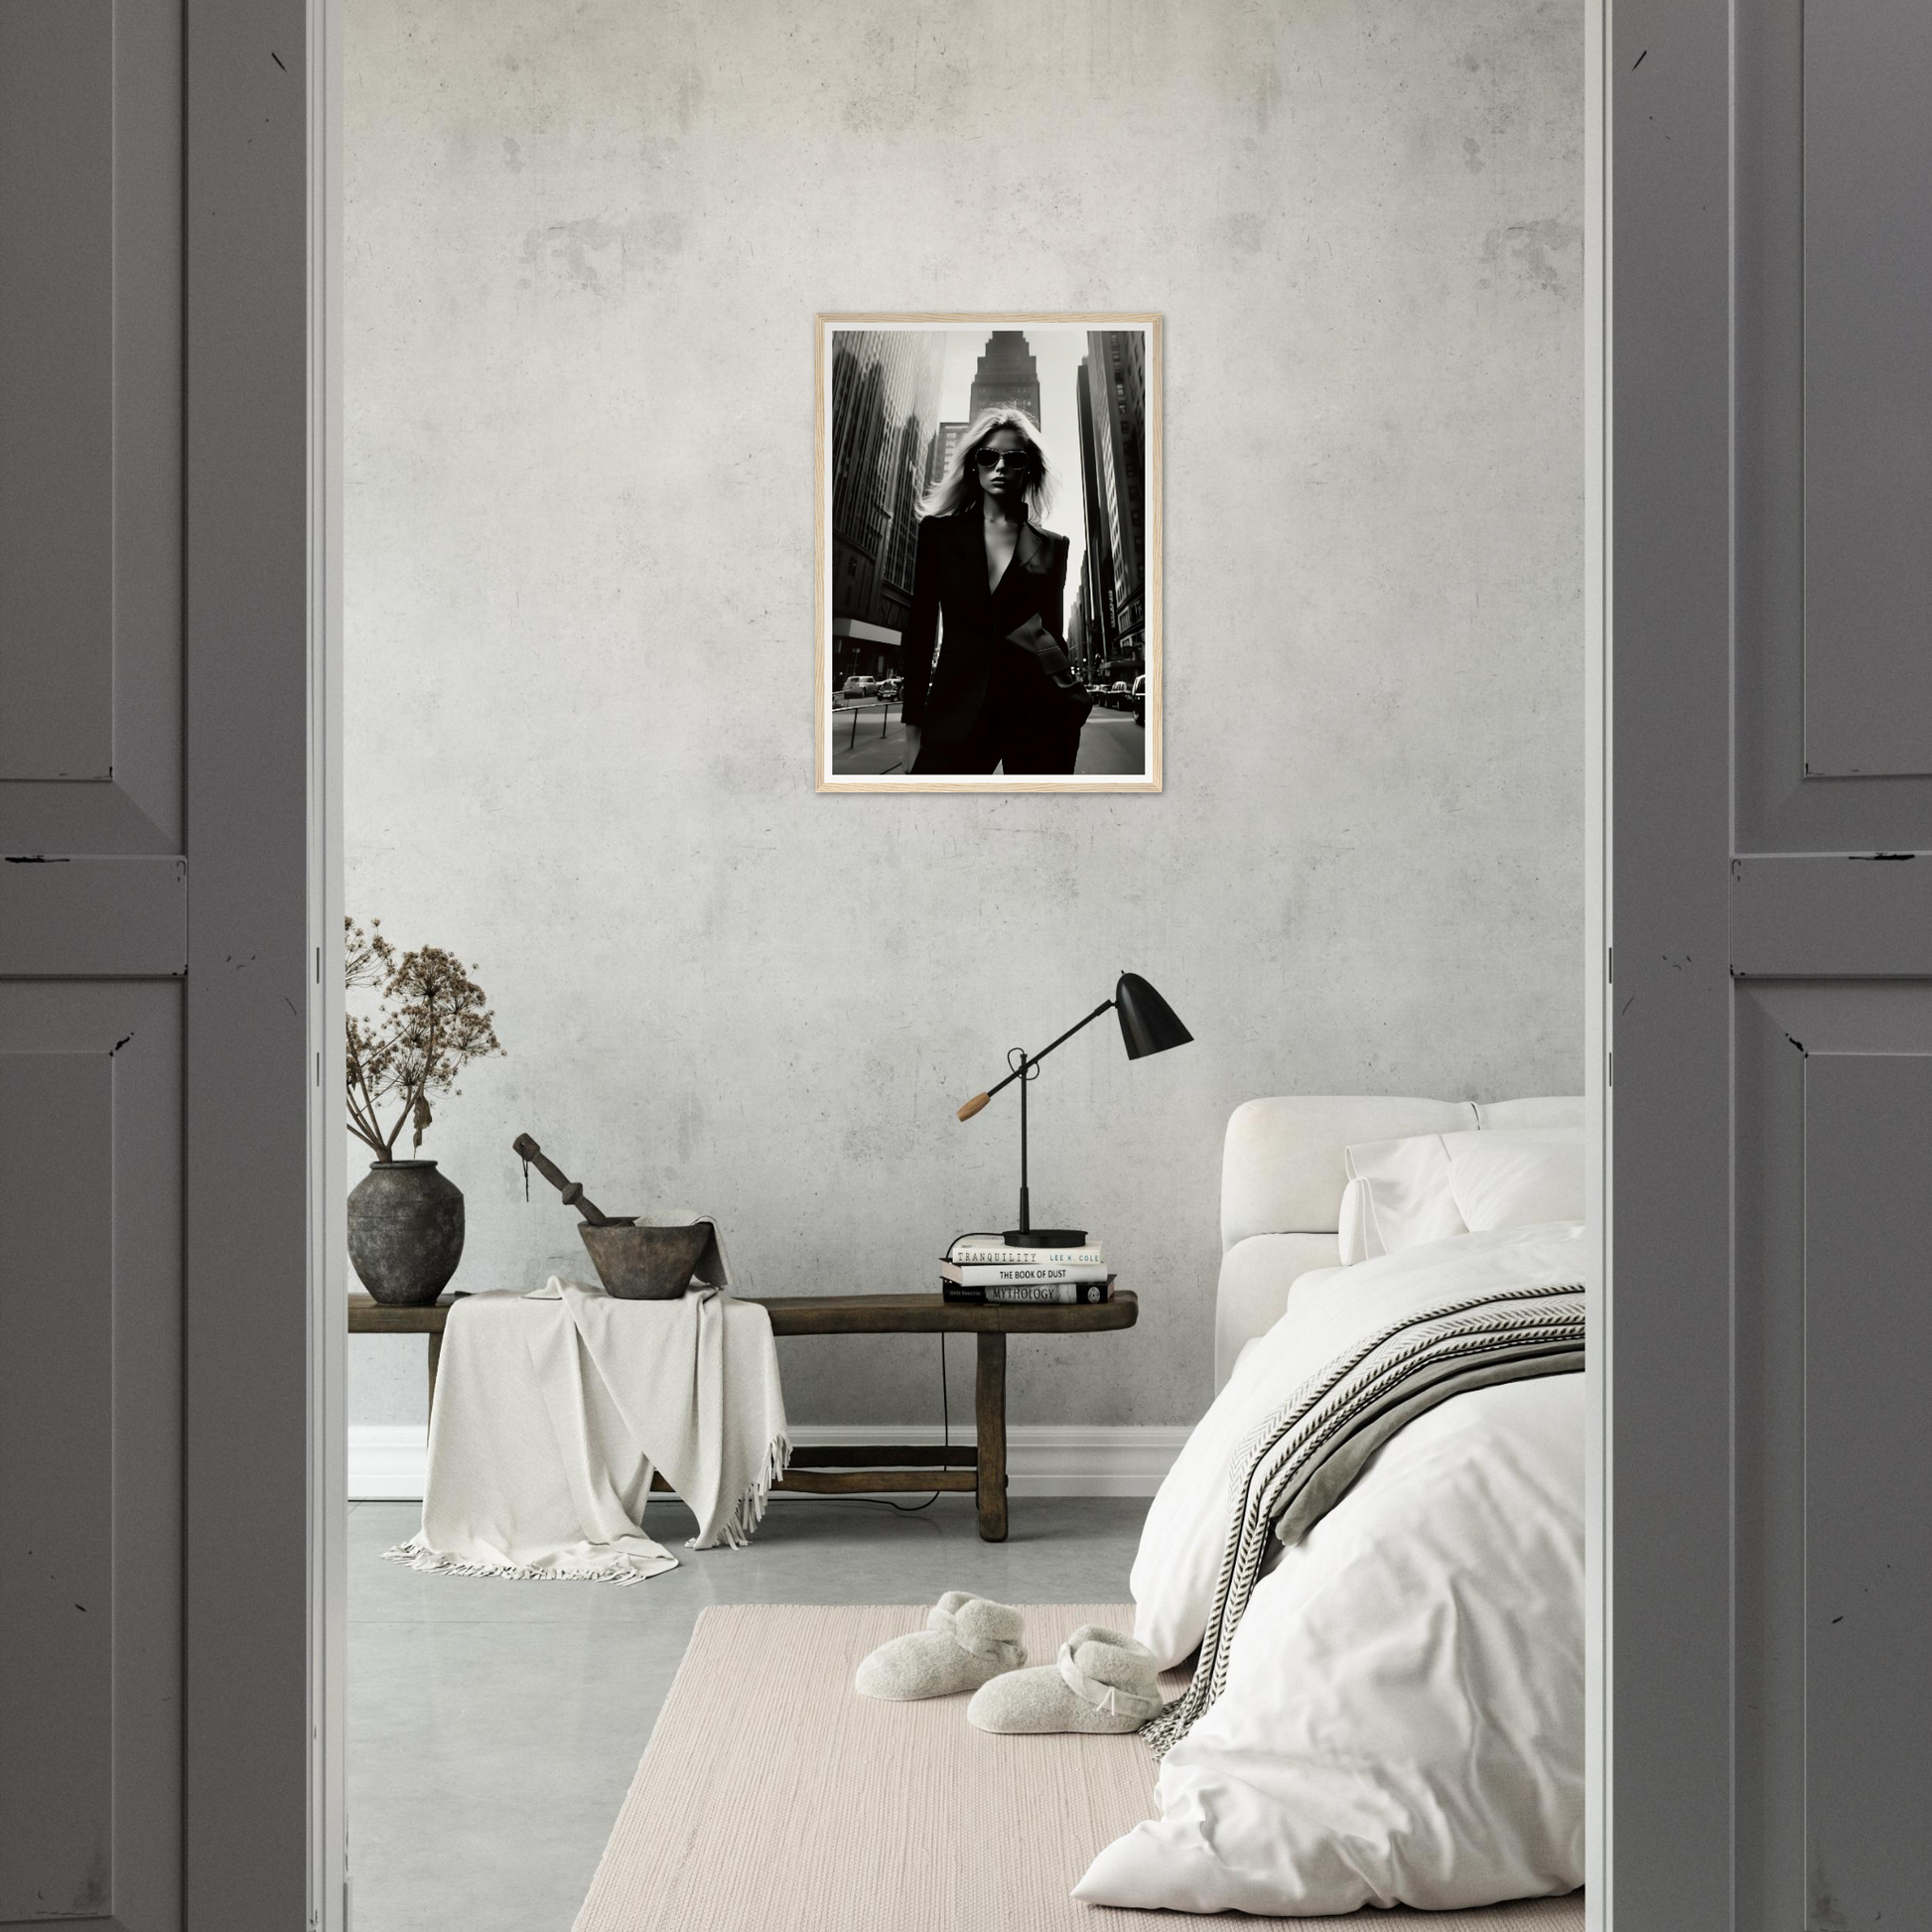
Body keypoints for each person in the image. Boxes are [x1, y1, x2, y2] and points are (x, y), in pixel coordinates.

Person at [898, 409, 1090, 775]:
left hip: (1039, 713)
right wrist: (913, 730)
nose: (1000, 467)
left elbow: (1052, 633)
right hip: (958, 713)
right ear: (974, 464)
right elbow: (921, 630)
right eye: (989, 456)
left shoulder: (1054, 546)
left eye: (1014, 458)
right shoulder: (939, 534)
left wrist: (1070, 700)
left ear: (1029, 468)